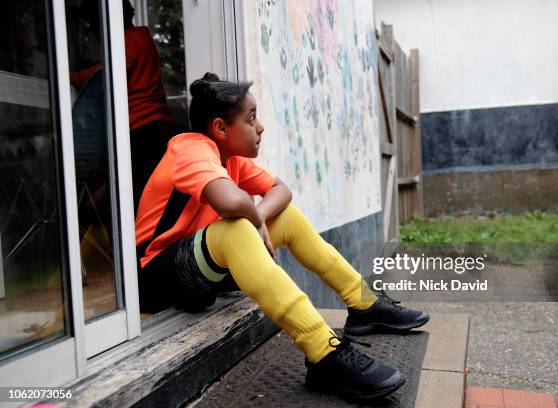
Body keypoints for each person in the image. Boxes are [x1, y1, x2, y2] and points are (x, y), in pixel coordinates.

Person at [134, 72, 430, 401]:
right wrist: (252, 220)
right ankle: (324, 353)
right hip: (153, 277)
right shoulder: (190, 148)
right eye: (251, 119)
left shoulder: (230, 159)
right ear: (220, 128)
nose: (260, 127)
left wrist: (257, 220)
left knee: (284, 217)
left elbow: (281, 191)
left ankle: (365, 304)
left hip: (201, 272)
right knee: (236, 227)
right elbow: (231, 202)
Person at [70, 0, 177, 211]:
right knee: (139, 184)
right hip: (156, 124)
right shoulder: (143, 37)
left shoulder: (127, 39)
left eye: (93, 26)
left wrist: (70, 77)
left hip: (141, 126)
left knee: (122, 184)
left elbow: (105, 73)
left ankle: (84, 212)